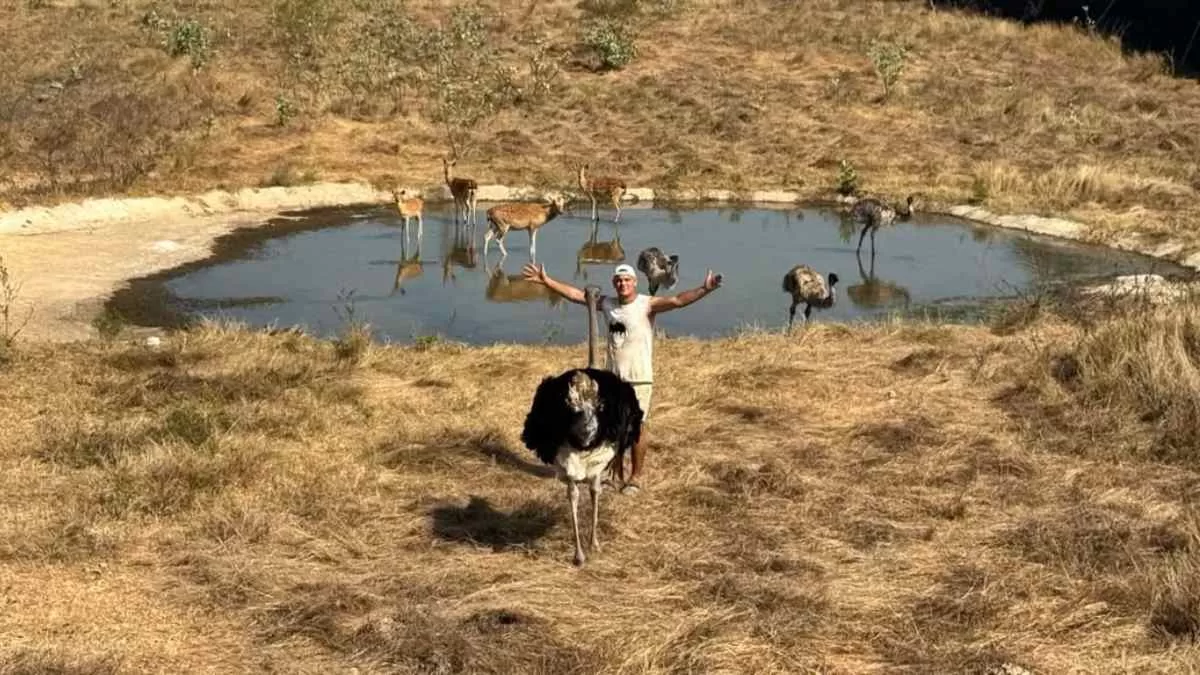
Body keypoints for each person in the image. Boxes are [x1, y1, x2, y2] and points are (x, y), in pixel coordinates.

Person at [521, 260, 723, 494]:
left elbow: (678, 301)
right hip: (612, 380)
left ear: (634, 282)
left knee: (637, 426)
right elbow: (576, 295)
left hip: (639, 377)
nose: (622, 283)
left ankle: (635, 477)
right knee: (613, 424)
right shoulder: (608, 304)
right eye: (618, 280)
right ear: (614, 283)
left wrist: (705, 289)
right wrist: (547, 281)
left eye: (627, 280)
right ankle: (613, 474)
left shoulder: (647, 304)